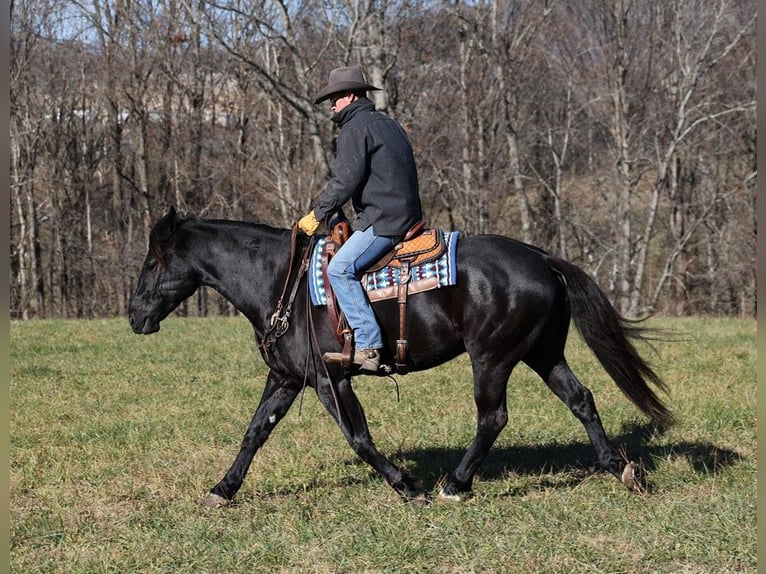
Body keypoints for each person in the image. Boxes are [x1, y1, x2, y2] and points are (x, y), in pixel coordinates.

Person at [298, 65, 423, 373]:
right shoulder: (387, 123)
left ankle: (368, 346)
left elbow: (344, 181)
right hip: (403, 214)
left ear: (350, 95)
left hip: (384, 221)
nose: (331, 104)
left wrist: (318, 214)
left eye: (335, 98)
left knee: (340, 270)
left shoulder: (355, 128)